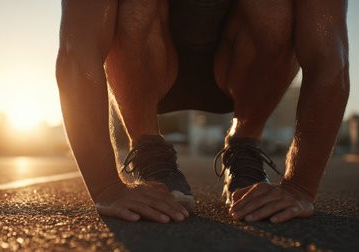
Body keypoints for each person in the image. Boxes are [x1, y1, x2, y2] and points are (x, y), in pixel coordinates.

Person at [56, 0, 349, 223]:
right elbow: (76, 52)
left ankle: (244, 146)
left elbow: (329, 60)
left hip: (242, 65)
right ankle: (148, 148)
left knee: (273, 7)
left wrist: (300, 187)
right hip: (147, 60)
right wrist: (107, 188)